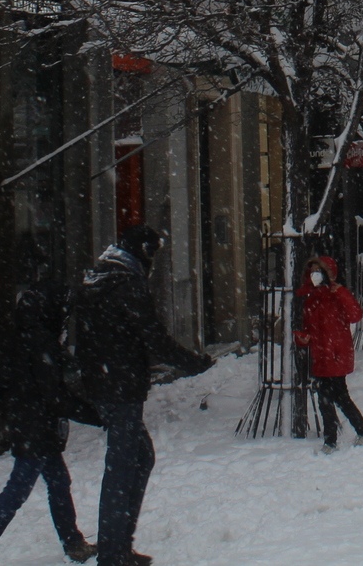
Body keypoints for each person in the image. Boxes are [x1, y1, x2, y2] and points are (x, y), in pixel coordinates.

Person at [75, 224, 214, 566]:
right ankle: (113, 552)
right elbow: (155, 338)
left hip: (103, 384)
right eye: (154, 253)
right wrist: (193, 362)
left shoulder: (97, 279)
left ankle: (118, 544)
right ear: (144, 253)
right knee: (122, 466)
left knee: (139, 458)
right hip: (120, 388)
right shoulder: (128, 285)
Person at [0, 250, 100, 566]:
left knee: (58, 482)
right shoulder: (42, 344)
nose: (66, 320)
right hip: (36, 427)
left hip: (30, 424)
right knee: (18, 489)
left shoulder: (21, 337)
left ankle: (73, 543)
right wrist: (97, 415)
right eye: (65, 313)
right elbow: (56, 397)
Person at [295, 254, 363, 452]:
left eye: (317, 271)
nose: (314, 276)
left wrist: (341, 293)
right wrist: (302, 339)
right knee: (331, 397)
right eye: (311, 272)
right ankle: (352, 434)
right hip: (321, 355)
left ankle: (337, 439)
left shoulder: (337, 295)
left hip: (336, 354)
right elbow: (308, 328)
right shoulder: (310, 299)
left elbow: (355, 315)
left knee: (333, 397)